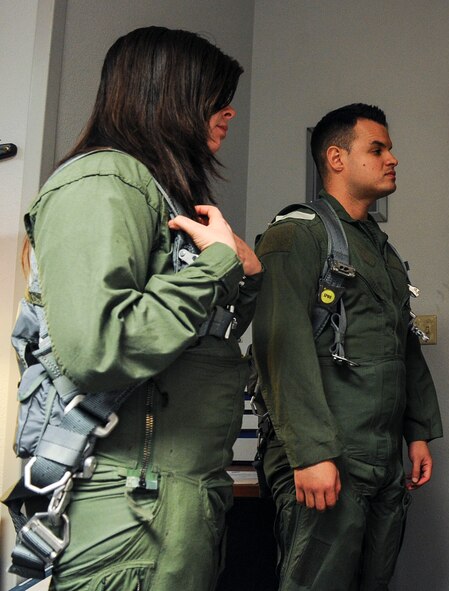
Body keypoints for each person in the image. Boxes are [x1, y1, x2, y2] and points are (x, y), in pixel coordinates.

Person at [20, 26, 261, 590]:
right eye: (215, 96)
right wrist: (216, 266)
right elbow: (99, 350)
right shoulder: (104, 180)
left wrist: (242, 274)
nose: (229, 112)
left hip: (170, 498)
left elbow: (192, 340)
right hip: (129, 509)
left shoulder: (156, 191)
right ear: (169, 95)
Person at [252, 103, 443, 590]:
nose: (392, 158)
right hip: (327, 456)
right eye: (377, 149)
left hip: (381, 458)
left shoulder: (382, 251)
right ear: (336, 159)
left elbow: (405, 348)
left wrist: (417, 432)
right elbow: (280, 347)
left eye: (390, 149)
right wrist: (312, 454)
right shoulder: (297, 234)